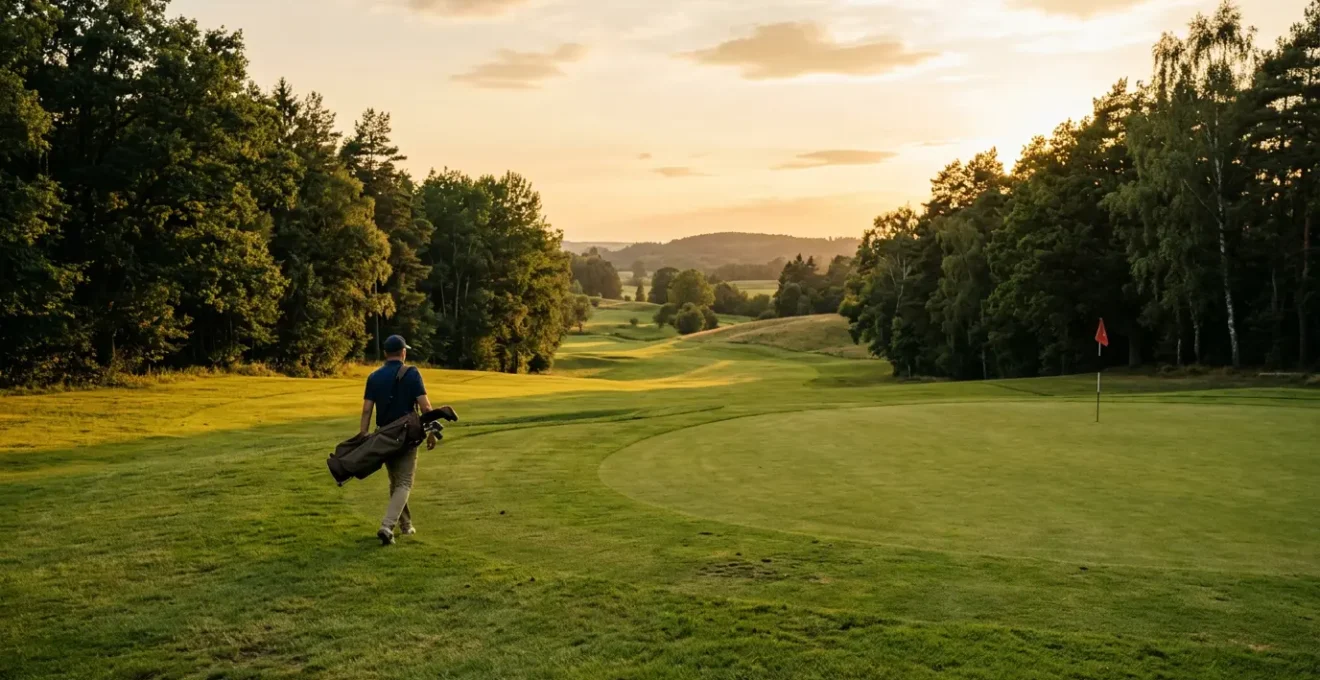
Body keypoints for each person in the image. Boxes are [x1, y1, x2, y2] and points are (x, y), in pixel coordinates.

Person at [359, 335, 433, 546]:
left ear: (385, 354)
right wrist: (431, 432)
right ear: (403, 352)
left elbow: (366, 409)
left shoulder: (373, 377)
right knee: (404, 482)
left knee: (396, 482)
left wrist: (363, 434)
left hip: (383, 436)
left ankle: (406, 525)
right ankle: (387, 526)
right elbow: (426, 408)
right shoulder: (412, 373)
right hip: (407, 436)